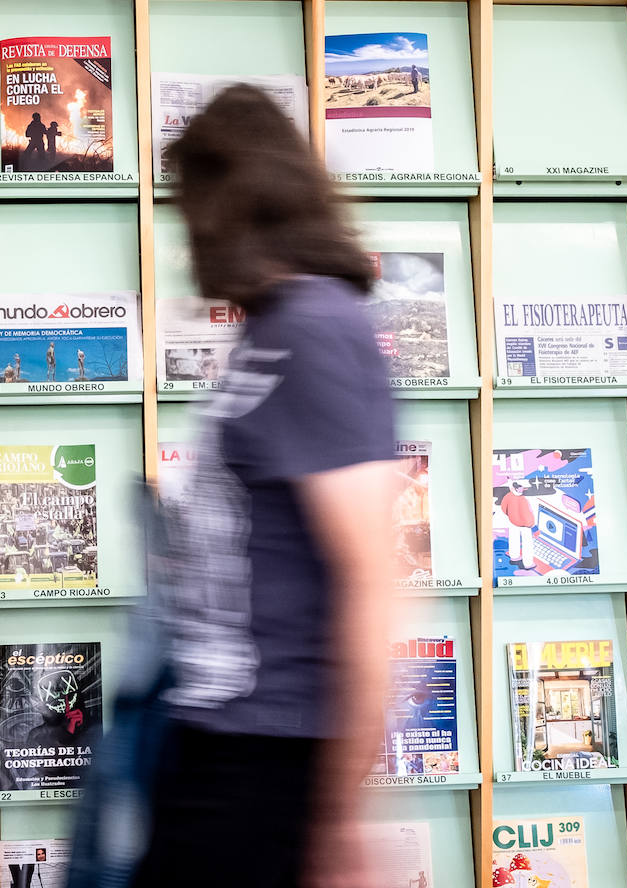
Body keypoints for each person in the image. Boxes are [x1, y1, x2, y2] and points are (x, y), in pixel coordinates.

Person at [122, 84, 398, 888]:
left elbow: (372, 580)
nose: (186, 242)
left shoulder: (316, 329)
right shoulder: (272, 329)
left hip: (270, 762)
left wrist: (339, 814)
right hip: (218, 745)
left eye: (189, 213)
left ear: (228, 206)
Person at [500, 480, 536, 570]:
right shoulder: (523, 499)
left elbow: (503, 508)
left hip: (513, 521)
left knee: (513, 538)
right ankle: (528, 563)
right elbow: (527, 514)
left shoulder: (508, 496)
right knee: (527, 543)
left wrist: (511, 516)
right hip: (525, 525)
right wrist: (531, 524)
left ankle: (514, 557)